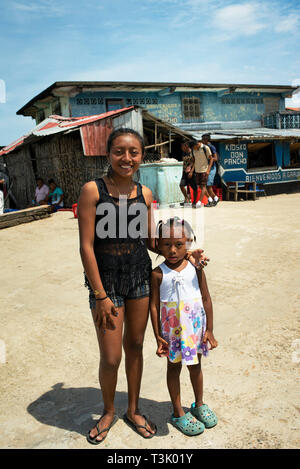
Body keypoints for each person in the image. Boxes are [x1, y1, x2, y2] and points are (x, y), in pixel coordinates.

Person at [77, 128, 209, 444]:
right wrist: (100, 294)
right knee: (110, 357)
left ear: (141, 156)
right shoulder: (93, 191)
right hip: (106, 283)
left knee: (134, 347)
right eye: (119, 151)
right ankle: (108, 411)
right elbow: (85, 246)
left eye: (133, 152)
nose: (127, 158)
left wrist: (185, 252)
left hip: (139, 278)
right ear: (108, 154)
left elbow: (150, 240)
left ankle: (133, 409)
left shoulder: (145, 194)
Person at [150, 217, 218, 436]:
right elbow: (153, 307)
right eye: (166, 244)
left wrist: (209, 330)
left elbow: (206, 298)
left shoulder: (195, 267)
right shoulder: (157, 274)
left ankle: (199, 404)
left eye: (178, 245)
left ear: (188, 243)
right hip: (172, 334)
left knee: (195, 367)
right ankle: (178, 412)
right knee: (173, 368)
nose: (172, 250)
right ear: (158, 244)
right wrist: (158, 335)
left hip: (194, 331)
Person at [191, 139, 213, 207]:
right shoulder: (193, 150)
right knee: (200, 186)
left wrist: (208, 170)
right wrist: (192, 169)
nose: (193, 149)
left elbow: (211, 159)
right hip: (197, 170)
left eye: (194, 147)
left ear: (197, 144)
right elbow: (194, 160)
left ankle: (199, 202)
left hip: (204, 170)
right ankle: (210, 200)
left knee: (203, 186)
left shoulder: (205, 148)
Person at [201, 134, 219, 207]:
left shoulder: (211, 147)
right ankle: (214, 198)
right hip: (206, 168)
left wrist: (209, 158)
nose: (201, 141)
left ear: (206, 140)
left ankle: (213, 199)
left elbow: (215, 158)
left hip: (211, 168)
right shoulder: (204, 147)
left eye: (202, 139)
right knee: (205, 185)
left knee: (208, 186)